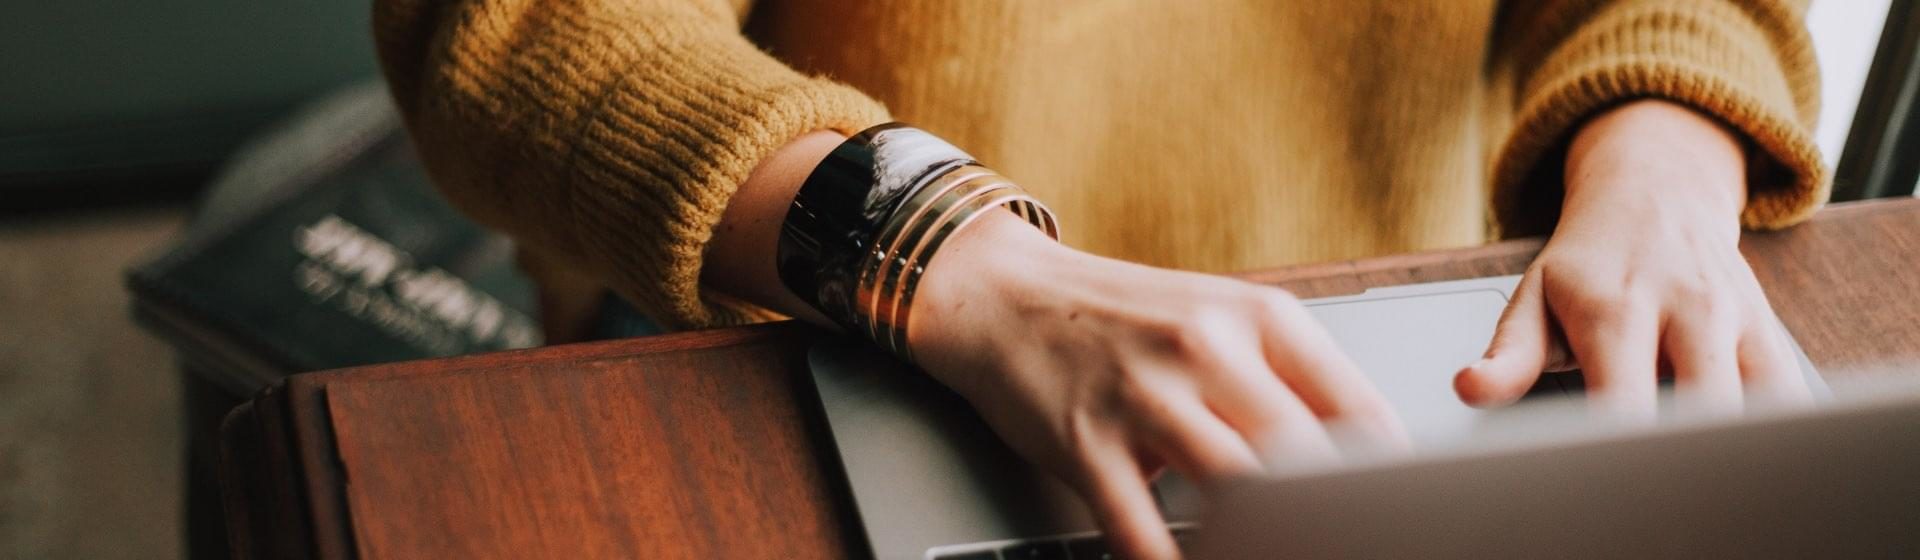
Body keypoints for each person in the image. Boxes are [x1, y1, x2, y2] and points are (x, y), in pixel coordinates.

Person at [373, 1, 1826, 557]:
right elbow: (508, 33)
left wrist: (1665, 159)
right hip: (825, 344)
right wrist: (948, 255)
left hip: (1386, 371)